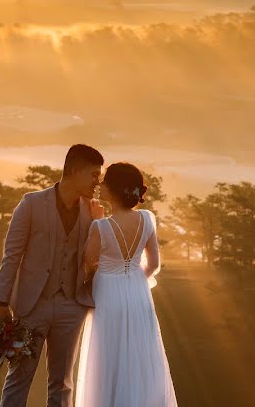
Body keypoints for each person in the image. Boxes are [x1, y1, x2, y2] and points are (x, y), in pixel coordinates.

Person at [0, 144, 105, 407]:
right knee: (19, 378)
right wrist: (0, 301)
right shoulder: (31, 204)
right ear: (75, 171)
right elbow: (12, 255)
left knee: (62, 383)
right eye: (93, 175)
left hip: (72, 307)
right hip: (32, 306)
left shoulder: (93, 211)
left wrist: (100, 224)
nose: (97, 182)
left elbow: (94, 261)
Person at [75, 162, 178, 407]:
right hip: (138, 293)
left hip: (107, 294)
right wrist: (132, 279)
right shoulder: (147, 219)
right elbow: (153, 264)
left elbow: (88, 263)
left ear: (115, 189)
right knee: (139, 357)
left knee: (107, 355)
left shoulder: (100, 226)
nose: (100, 185)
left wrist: (95, 221)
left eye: (105, 181)